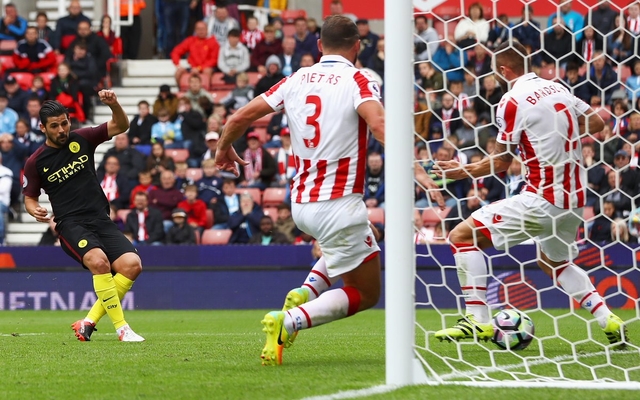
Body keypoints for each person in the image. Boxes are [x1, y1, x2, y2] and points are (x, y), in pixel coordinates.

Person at [214, 15, 442, 366]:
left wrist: (222, 148)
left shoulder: (294, 79)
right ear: (357, 46)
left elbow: (238, 118)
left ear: (319, 45)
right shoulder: (359, 79)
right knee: (366, 293)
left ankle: (306, 292)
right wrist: (416, 170)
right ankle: (288, 321)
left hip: (301, 203)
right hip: (339, 203)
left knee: (360, 240)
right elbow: (379, 124)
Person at [433, 42, 627, 347]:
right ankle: (606, 317)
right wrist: (555, 131)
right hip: (575, 199)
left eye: (495, 72)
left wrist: (460, 171)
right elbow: (597, 122)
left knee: (461, 236)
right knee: (554, 263)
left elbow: (501, 162)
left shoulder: (511, 101)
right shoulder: (557, 88)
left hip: (542, 198)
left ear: (504, 70)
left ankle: (477, 320)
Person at [22, 92, 145, 342]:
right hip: (70, 224)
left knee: (132, 265)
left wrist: (114, 105)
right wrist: (33, 208)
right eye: (54, 126)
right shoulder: (35, 162)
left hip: (100, 219)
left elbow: (121, 125)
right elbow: (29, 196)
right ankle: (122, 329)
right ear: (43, 127)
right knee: (99, 263)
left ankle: (88, 321)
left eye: (64, 123)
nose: (61, 130)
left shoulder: (83, 138)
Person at [171, 21, 219, 88]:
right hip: (193, 67)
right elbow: (176, 51)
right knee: (178, 72)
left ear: (207, 30)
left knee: (207, 71)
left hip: (207, 67)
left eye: (203, 29)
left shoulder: (213, 42)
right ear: (195, 30)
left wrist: (199, 68)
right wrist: (178, 64)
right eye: (198, 29)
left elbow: (214, 59)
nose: (201, 31)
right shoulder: (190, 40)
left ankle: (206, 92)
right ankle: (181, 92)